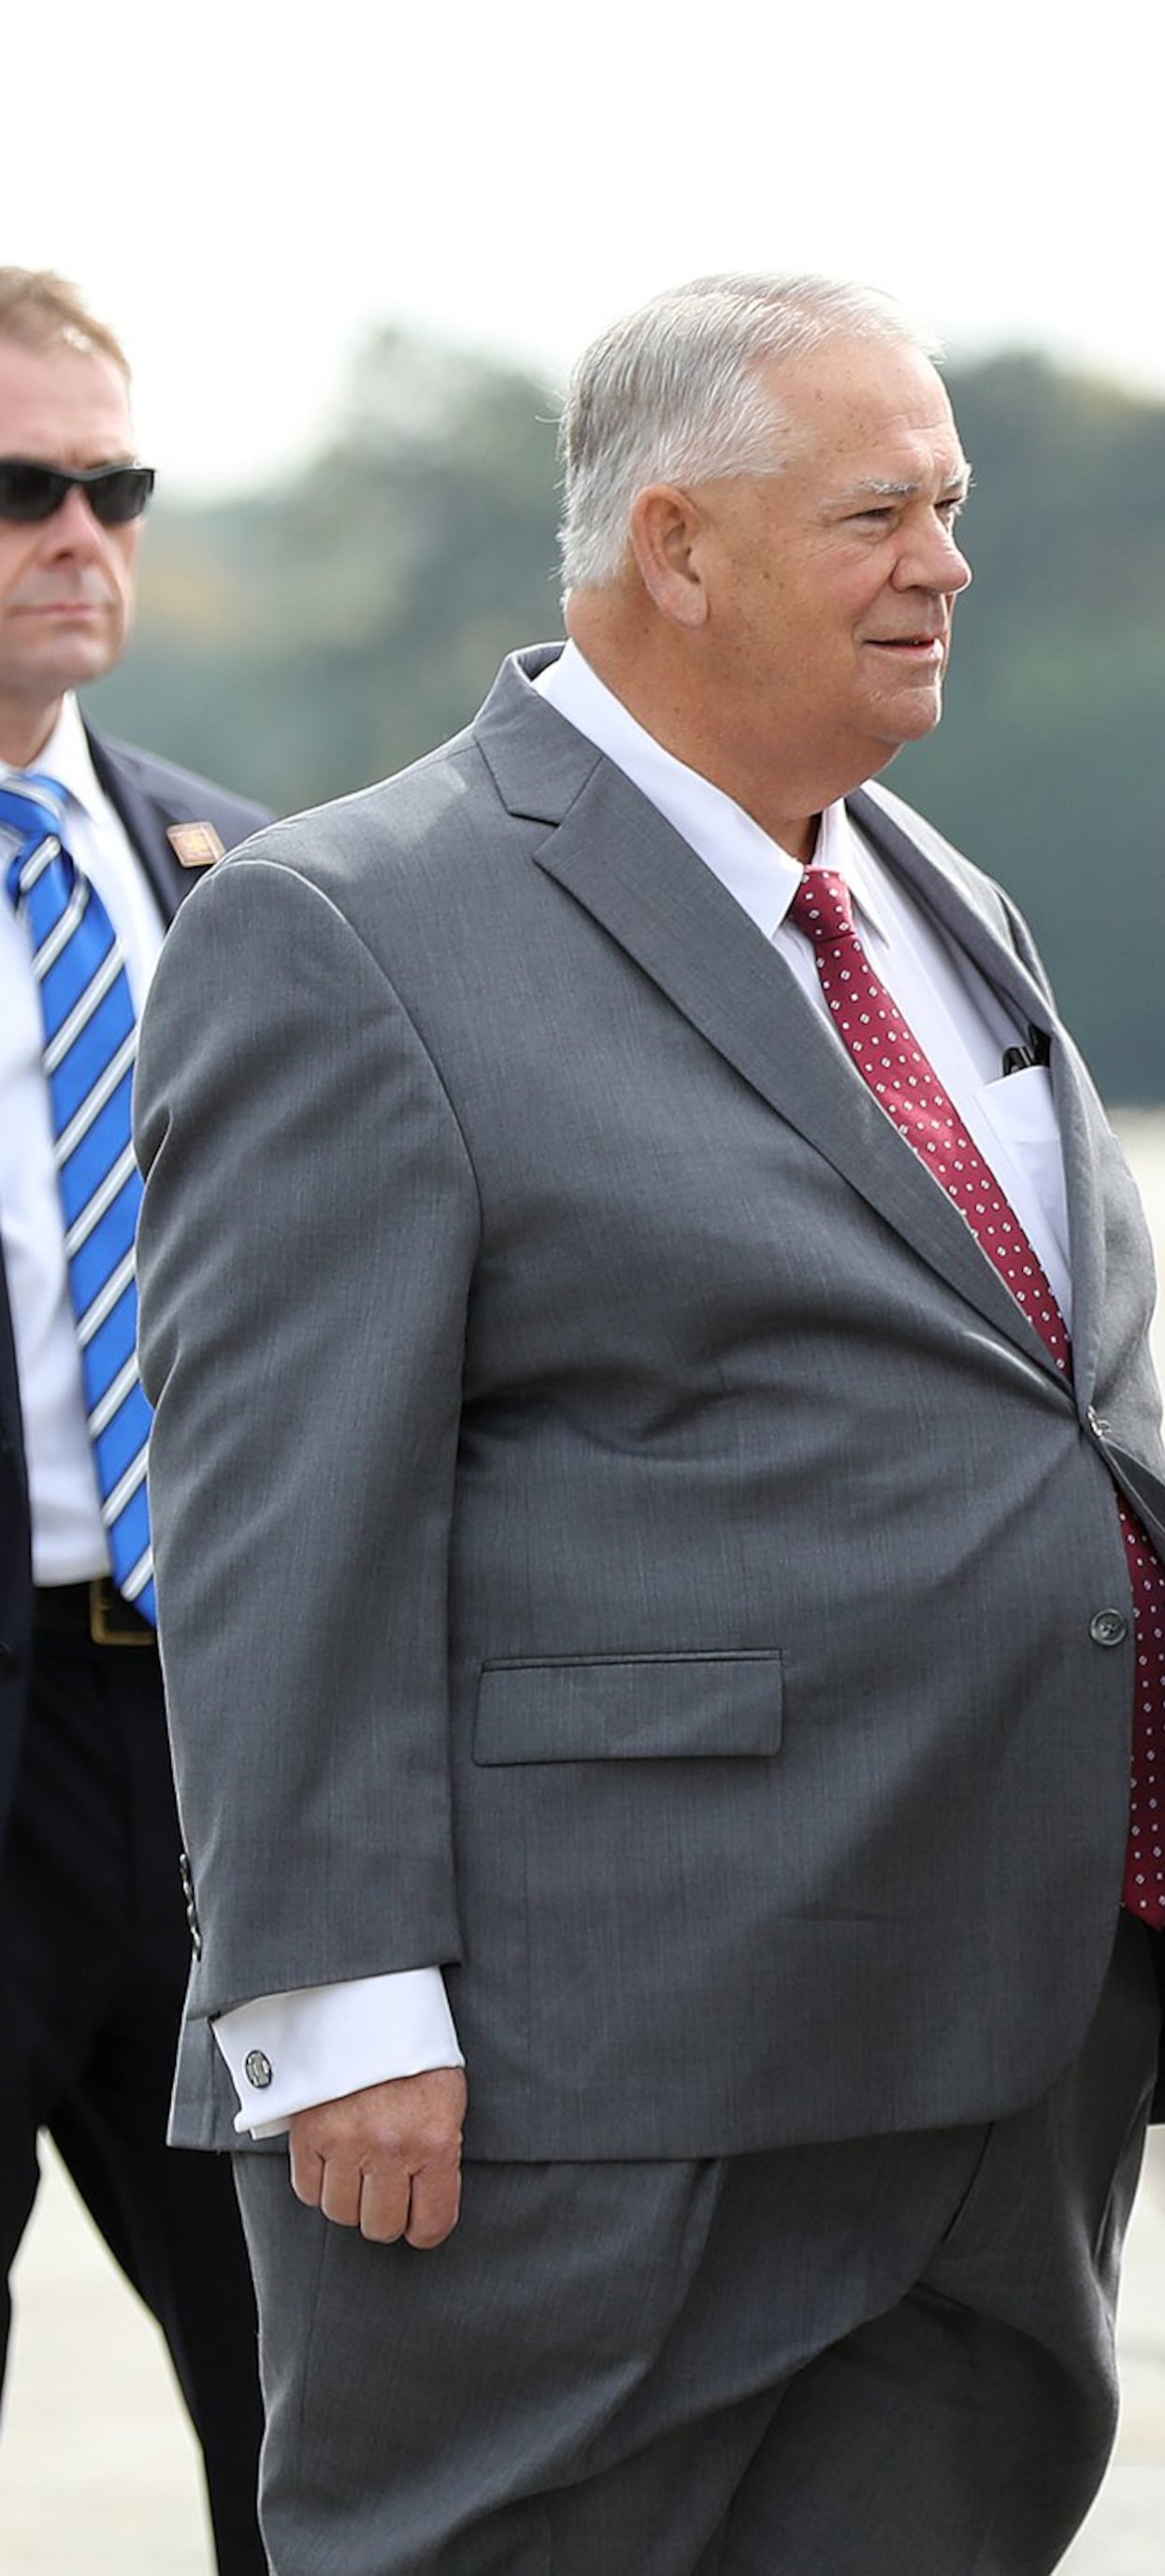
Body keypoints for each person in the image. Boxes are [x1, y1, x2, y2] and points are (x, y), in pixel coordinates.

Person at [133, 273, 1165, 2576]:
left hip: (1006, 2044)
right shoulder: (352, 928)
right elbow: (274, 1523)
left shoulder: (943, 898)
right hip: (601, 2079)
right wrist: (329, 2007)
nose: (944, 561)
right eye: (877, 513)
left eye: (949, 504)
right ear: (677, 546)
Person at [0, 268, 269, 2574]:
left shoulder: (251, 880)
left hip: (222, 1768)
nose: (79, 529)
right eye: (18, 486)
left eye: (115, 485)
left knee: (331, 2430)